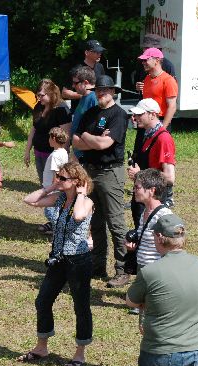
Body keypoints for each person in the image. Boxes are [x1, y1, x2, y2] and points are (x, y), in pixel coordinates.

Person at [19, 161, 94, 366]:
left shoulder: (86, 202)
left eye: (62, 178)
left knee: (81, 307)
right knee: (42, 301)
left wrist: (80, 194)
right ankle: (42, 346)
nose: (58, 180)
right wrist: (51, 187)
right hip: (58, 259)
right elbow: (30, 200)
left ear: (77, 182)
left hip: (78, 261)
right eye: (58, 177)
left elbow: (79, 215)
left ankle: (80, 353)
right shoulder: (59, 199)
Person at [126, 214, 198, 366]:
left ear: (160, 238)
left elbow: (130, 301)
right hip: (195, 351)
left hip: (161, 353)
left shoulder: (150, 272)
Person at [72, 75, 129, 287]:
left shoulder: (119, 115)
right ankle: (98, 265)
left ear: (113, 92)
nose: (100, 94)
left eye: (104, 91)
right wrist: (92, 139)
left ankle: (123, 270)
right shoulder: (91, 112)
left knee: (115, 223)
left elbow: (105, 144)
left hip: (110, 172)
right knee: (95, 222)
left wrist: (89, 138)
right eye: (98, 91)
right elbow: (76, 140)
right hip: (90, 171)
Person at [125, 168, 172, 314]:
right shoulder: (144, 212)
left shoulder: (164, 216)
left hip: (155, 273)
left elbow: (172, 248)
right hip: (143, 269)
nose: (134, 190)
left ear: (151, 190)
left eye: (137, 187)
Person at [128, 98, 176, 227]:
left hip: (154, 201)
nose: (135, 117)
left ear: (153, 114)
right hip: (145, 199)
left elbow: (170, 178)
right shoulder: (148, 135)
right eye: (135, 114)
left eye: (139, 114)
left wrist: (140, 173)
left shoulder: (163, 139)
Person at [24, 79, 71, 186]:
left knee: (55, 184)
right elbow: (33, 129)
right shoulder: (38, 106)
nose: (39, 98)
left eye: (41, 95)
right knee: (44, 183)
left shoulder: (61, 109)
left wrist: (62, 157)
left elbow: (66, 136)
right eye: (37, 95)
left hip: (53, 155)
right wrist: (27, 150)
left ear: (51, 93)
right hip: (38, 152)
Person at [137, 47, 178, 130]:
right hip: (146, 121)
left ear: (157, 60)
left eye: (146, 60)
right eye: (142, 61)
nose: (143, 63)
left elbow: (172, 107)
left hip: (160, 121)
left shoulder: (168, 80)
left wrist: (162, 128)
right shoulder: (147, 78)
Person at [38, 127, 69, 235]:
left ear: (54, 138)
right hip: (58, 188)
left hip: (51, 188)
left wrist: (51, 189)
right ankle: (57, 229)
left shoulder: (55, 155)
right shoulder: (64, 152)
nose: (48, 140)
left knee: (50, 212)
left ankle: (59, 233)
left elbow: (56, 174)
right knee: (56, 210)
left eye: (49, 138)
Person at [62, 39, 106, 111]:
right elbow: (65, 93)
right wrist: (85, 95)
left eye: (100, 51)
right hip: (81, 111)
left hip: (98, 110)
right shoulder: (76, 70)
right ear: (86, 52)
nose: (99, 53)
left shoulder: (100, 67)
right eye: (96, 51)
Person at [70, 66, 97, 163]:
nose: (73, 86)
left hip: (85, 154)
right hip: (78, 150)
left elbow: (96, 127)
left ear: (85, 83)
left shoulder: (93, 98)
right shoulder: (84, 97)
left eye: (75, 83)